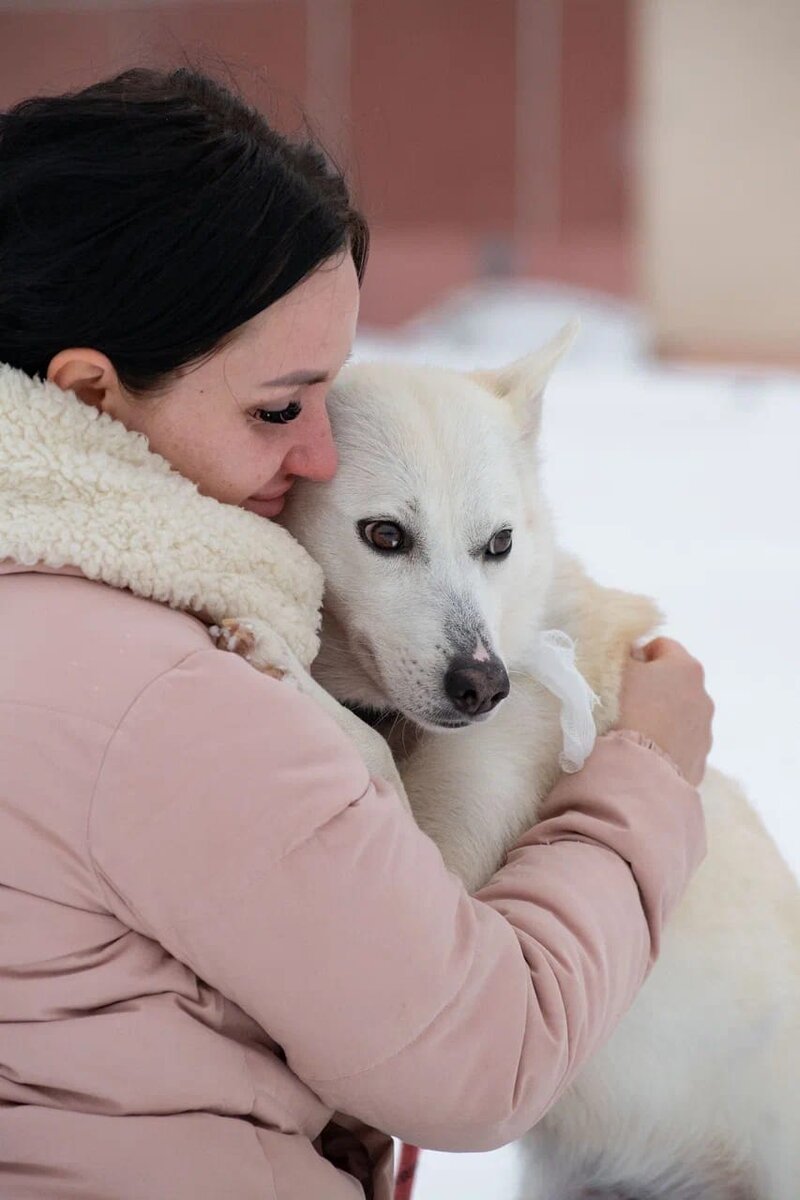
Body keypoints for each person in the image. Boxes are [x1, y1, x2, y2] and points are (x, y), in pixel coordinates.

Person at [0, 68, 711, 1200]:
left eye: (331, 396)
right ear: (89, 396)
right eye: (279, 408)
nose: (324, 455)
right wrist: (647, 781)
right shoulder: (168, 698)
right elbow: (479, 1060)